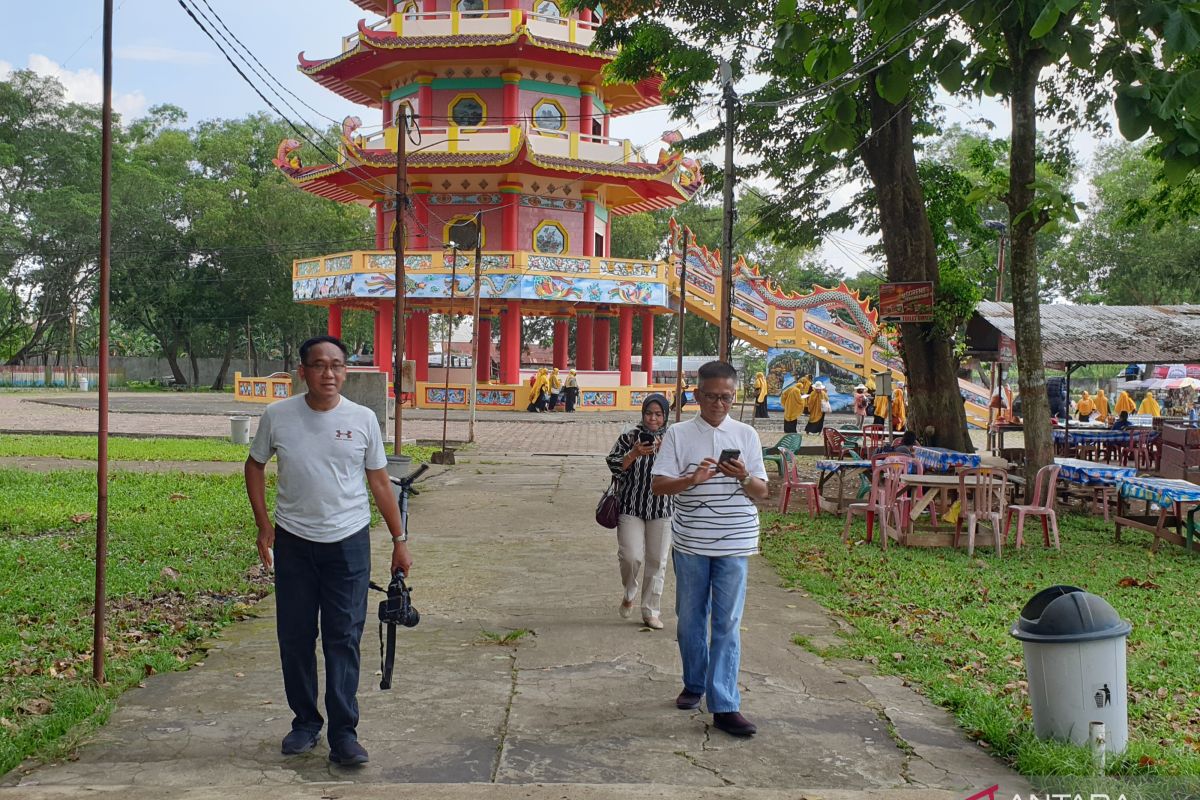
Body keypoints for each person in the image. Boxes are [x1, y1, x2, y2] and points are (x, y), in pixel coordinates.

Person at [244, 335, 414, 766]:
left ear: (345, 371)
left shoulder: (362, 419)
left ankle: (344, 733)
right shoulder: (278, 416)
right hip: (295, 544)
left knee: (343, 637)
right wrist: (264, 525)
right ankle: (305, 722)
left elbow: (379, 481)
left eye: (337, 366)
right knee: (296, 638)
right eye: (319, 365)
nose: (329, 374)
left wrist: (399, 540)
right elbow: (254, 464)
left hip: (349, 544)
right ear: (302, 371)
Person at [651, 360, 769, 738]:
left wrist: (744, 477)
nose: (719, 403)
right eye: (712, 396)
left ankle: (724, 704)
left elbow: (762, 492)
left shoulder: (747, 434)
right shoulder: (678, 435)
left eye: (727, 397)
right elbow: (659, 486)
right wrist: (692, 478)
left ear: (735, 397)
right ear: (697, 395)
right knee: (690, 620)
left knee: (727, 624)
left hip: (736, 541)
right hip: (691, 543)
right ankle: (695, 682)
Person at [605, 393, 674, 630]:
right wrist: (633, 453)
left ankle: (650, 610)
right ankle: (629, 592)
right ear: (642, 413)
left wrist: (667, 451)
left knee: (657, 561)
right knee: (631, 556)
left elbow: (684, 468)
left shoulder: (673, 438)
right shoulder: (629, 436)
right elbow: (613, 465)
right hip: (631, 506)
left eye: (658, 414)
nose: (653, 419)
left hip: (662, 508)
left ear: (665, 416)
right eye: (648, 413)